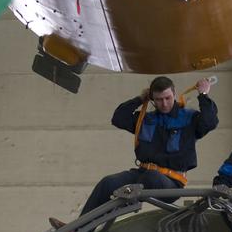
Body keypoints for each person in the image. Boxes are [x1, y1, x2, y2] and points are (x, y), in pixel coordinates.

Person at [76, 76, 218, 221]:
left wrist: (203, 95)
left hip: (171, 182)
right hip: (142, 173)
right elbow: (118, 118)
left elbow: (210, 122)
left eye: (168, 98)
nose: (164, 104)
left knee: (151, 177)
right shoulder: (146, 119)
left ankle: (126, 200)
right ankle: (77, 231)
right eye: (158, 99)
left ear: (174, 95)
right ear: (152, 99)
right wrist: (139, 99)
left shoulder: (189, 118)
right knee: (108, 183)